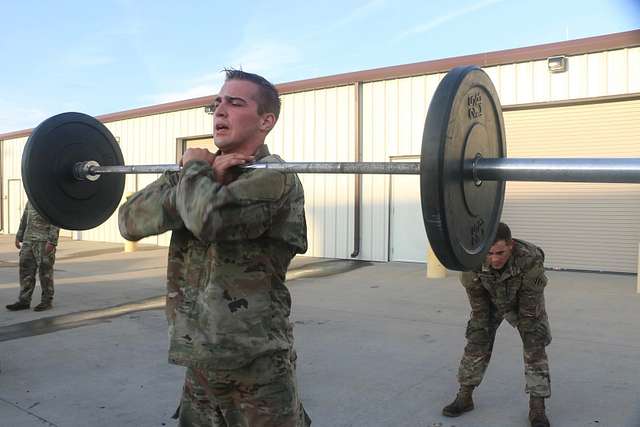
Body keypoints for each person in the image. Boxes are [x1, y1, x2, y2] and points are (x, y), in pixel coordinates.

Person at [118, 69, 310, 426]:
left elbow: (208, 219)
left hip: (255, 363)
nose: (219, 111)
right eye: (216, 104)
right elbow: (129, 221)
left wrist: (195, 175)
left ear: (266, 120)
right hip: (198, 357)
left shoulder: (274, 177)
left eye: (235, 103)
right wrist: (204, 177)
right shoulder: (197, 172)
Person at [442, 222, 551, 427]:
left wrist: (528, 327)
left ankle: (537, 408)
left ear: (510, 245)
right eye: (490, 253)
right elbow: (478, 303)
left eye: (500, 252)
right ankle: (465, 397)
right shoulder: (472, 260)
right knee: (477, 339)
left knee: (534, 343)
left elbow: (530, 305)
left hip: (522, 301)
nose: (494, 258)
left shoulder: (530, 258)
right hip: (490, 300)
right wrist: (480, 327)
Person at [6, 201, 60, 312]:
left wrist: (52, 241)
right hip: (28, 240)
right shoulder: (32, 198)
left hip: (43, 241)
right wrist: (19, 236)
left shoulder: (51, 199)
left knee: (45, 272)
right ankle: (24, 301)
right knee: (25, 270)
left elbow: (56, 221)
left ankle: (47, 301)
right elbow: (25, 217)